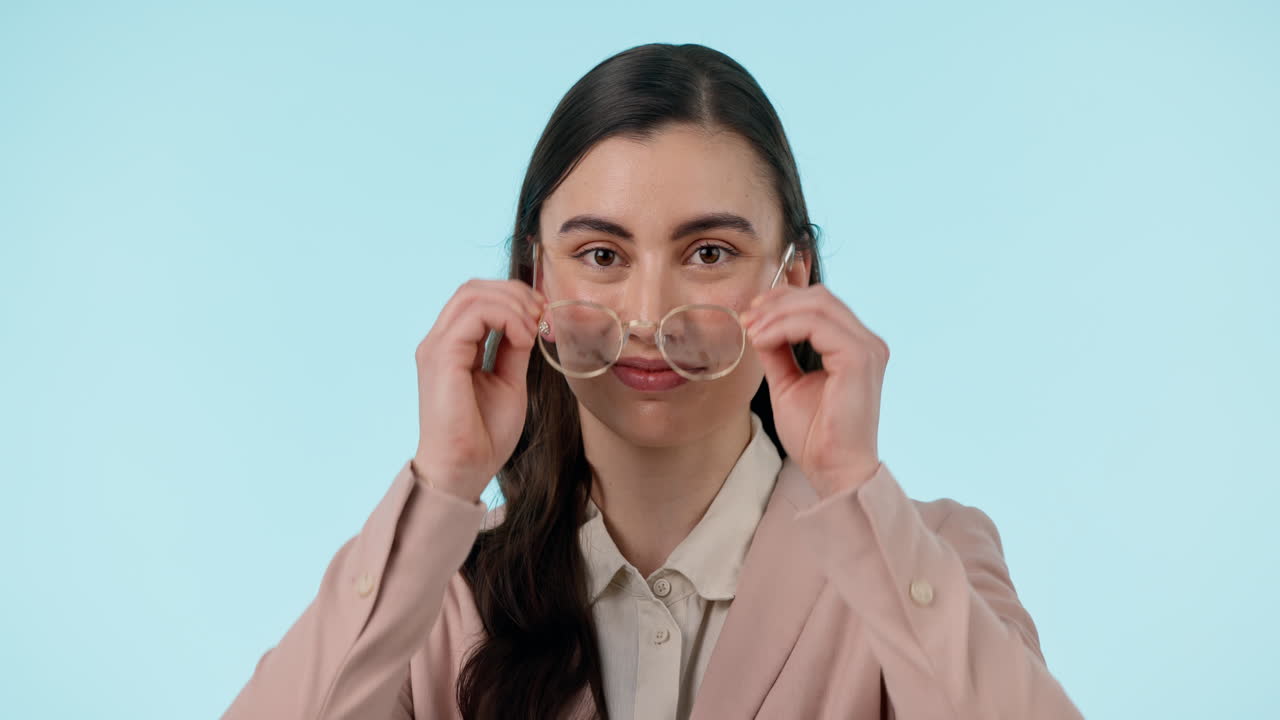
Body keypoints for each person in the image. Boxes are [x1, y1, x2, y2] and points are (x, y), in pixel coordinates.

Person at [221, 42, 1084, 720]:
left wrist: (852, 484)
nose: (647, 313)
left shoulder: (926, 557)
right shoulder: (435, 593)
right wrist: (442, 482)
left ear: (792, 277)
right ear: (535, 277)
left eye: (709, 253)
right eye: (601, 255)